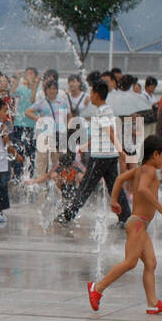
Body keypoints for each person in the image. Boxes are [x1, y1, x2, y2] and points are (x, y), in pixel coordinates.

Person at [87, 137, 162, 315]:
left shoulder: (140, 170)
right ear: (155, 154)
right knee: (130, 262)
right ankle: (97, 288)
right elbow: (142, 189)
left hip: (139, 224)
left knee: (150, 263)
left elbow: (119, 179)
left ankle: (153, 303)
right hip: (137, 225)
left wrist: (114, 200)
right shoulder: (149, 171)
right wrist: (161, 208)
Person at [58, 80, 129, 224]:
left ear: (96, 94)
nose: (90, 96)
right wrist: (86, 145)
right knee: (114, 188)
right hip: (109, 156)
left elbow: (109, 131)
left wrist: (121, 150)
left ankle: (67, 216)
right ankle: (126, 217)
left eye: (91, 92)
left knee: (85, 187)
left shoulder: (103, 111)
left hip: (100, 157)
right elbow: (101, 134)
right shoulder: (104, 110)